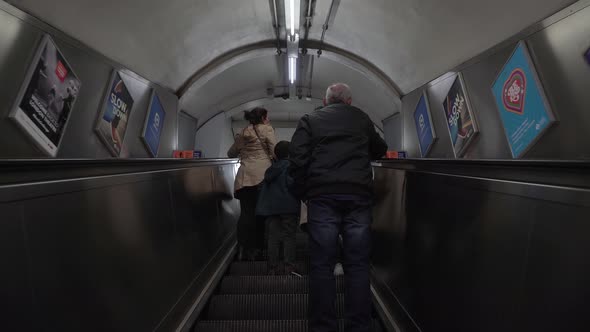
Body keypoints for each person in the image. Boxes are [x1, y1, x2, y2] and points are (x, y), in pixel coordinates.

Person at [289, 83, 388, 332]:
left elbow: (297, 159)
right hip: (358, 196)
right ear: (349, 101)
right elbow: (380, 149)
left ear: (326, 101)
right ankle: (359, 326)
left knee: (322, 264)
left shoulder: (309, 119)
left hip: (322, 197)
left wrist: (304, 193)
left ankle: (323, 327)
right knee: (358, 264)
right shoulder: (362, 118)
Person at [228, 107, 277, 261]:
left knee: (246, 214)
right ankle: (259, 249)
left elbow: (231, 153)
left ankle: (243, 248)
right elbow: (275, 152)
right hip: (262, 178)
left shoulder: (243, 132)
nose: (268, 119)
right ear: (263, 117)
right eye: (267, 116)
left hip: (244, 178)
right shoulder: (267, 130)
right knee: (261, 215)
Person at [256, 141, 301, 275]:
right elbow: (293, 185)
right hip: (289, 207)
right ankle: (289, 267)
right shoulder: (290, 167)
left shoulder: (271, 169)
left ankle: (272, 268)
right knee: (289, 236)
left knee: (273, 237)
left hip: (272, 208)